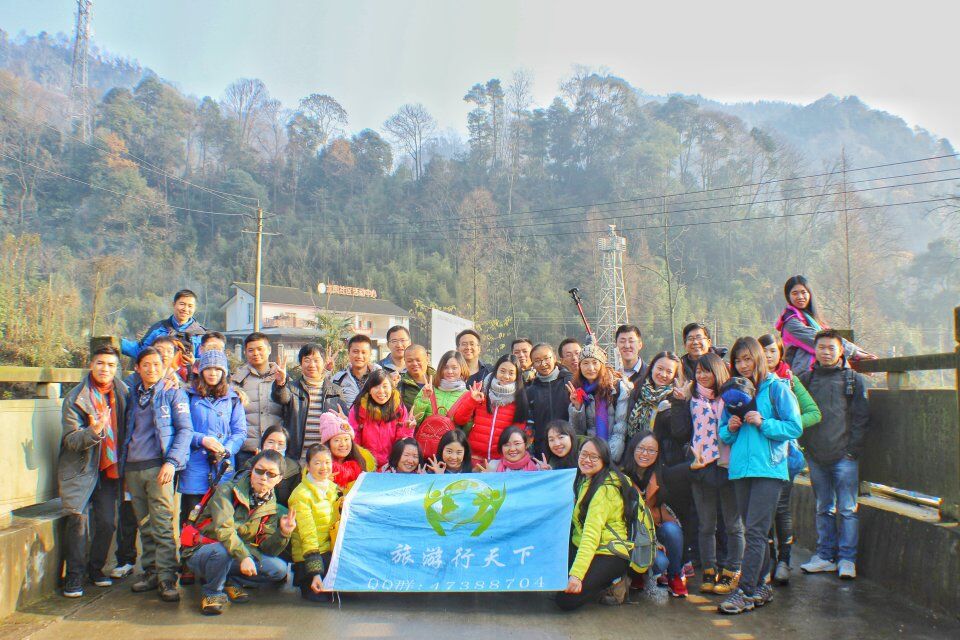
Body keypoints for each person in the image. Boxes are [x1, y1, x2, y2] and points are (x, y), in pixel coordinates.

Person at [717, 337, 802, 615]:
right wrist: (731, 427)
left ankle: (745, 590)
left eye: (747, 359)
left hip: (769, 469)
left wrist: (764, 423)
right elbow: (723, 433)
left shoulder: (776, 388)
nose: (743, 365)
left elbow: (794, 426)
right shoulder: (734, 392)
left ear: (758, 358)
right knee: (755, 531)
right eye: (738, 360)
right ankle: (762, 587)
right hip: (741, 469)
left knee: (754, 531)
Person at [182, 449, 296, 615]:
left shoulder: (271, 506)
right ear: (251, 470)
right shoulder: (227, 490)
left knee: (278, 569)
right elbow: (224, 530)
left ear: (279, 479)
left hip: (235, 553)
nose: (264, 477)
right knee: (222, 551)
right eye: (259, 471)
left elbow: (267, 549)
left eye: (271, 474)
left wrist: (283, 533)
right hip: (204, 550)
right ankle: (212, 592)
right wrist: (244, 557)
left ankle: (229, 580)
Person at [120, 347, 193, 602]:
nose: (151, 369)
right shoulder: (132, 393)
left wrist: (171, 462)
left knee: (162, 523)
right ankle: (151, 571)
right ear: (137, 368)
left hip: (158, 467)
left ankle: (167, 577)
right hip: (133, 467)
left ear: (164, 367)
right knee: (144, 523)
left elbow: (185, 430)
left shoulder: (173, 392)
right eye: (146, 365)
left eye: (156, 364)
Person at [797, 329, 870, 581]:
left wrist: (852, 451)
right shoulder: (806, 379)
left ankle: (847, 559)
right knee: (823, 507)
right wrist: (806, 448)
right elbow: (798, 414)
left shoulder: (853, 380)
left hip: (844, 457)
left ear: (841, 351)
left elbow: (861, 418)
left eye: (831, 348)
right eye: (821, 347)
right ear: (814, 350)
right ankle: (825, 556)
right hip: (816, 455)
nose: (826, 352)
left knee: (847, 509)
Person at [59, 345, 129, 597]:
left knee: (108, 523)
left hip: (109, 469)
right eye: (100, 363)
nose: (105, 369)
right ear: (91, 365)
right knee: (78, 521)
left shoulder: (123, 392)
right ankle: (74, 577)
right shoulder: (76, 397)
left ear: (116, 368)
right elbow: (70, 440)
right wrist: (95, 431)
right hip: (81, 468)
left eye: (111, 365)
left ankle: (96, 569)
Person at [673, 352, 744, 596]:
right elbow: (680, 431)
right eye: (698, 371)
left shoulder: (731, 396)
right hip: (701, 466)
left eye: (707, 371)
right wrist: (679, 402)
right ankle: (709, 569)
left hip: (728, 466)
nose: (702, 375)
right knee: (706, 525)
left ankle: (733, 569)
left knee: (733, 524)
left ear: (718, 371)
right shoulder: (691, 397)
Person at [759, 332, 822, 584]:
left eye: (772, 351)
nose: (768, 356)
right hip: (759, 455)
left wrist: (787, 426)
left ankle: (784, 560)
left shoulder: (790, 380)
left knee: (781, 508)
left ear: (780, 353)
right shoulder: (750, 381)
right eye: (763, 351)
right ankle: (768, 560)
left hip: (785, 455)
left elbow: (814, 413)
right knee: (763, 510)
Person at [179, 350, 246, 583]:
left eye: (218, 369)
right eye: (209, 368)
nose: (213, 373)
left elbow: (240, 431)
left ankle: (216, 565)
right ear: (201, 370)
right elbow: (183, 428)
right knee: (191, 514)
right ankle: (187, 561)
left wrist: (227, 449)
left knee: (219, 515)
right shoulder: (188, 395)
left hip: (223, 466)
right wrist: (202, 440)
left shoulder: (233, 399)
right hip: (196, 464)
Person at [555, 437, 635, 611]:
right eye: (584, 454)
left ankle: (613, 583)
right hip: (585, 545)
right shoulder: (586, 479)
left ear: (604, 460)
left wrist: (576, 576)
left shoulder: (604, 490)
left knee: (565, 600)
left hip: (609, 552)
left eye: (594, 457)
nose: (587, 460)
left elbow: (591, 536)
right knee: (555, 580)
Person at [621, 430, 687, 598]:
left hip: (654, 530)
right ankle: (637, 573)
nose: (645, 454)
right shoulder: (621, 476)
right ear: (632, 448)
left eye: (651, 450)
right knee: (659, 561)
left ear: (657, 454)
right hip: (630, 534)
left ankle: (675, 575)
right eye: (641, 448)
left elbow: (682, 472)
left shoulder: (660, 474)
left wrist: (694, 465)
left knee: (672, 531)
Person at [775, 275, 877, 374]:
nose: (800, 297)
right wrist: (855, 352)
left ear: (809, 294)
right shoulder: (791, 323)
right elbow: (823, 340)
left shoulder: (811, 319)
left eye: (803, 292)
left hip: (821, 372)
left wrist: (859, 355)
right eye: (795, 293)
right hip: (804, 376)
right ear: (788, 296)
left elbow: (833, 339)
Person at [449, 354, 530, 468]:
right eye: (502, 371)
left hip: (500, 463)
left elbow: (518, 433)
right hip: (473, 458)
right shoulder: (481, 390)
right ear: (496, 371)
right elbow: (459, 419)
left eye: (511, 373)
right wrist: (471, 401)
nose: (506, 376)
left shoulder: (519, 399)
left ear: (517, 376)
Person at [272, 343, 347, 464]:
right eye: (307, 360)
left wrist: (345, 421)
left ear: (324, 363)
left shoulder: (336, 391)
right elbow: (281, 397)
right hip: (297, 459)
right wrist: (280, 383)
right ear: (300, 363)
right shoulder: (291, 388)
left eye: (316, 360)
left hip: (325, 460)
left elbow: (345, 424)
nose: (312, 365)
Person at [288, 443, 340, 602]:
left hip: (329, 552)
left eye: (327, 462)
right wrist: (316, 573)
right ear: (308, 466)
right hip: (310, 558)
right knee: (326, 598)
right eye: (317, 463)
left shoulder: (333, 488)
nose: (324, 467)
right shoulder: (301, 495)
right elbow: (308, 536)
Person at [567, 343, 630, 463]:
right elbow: (578, 432)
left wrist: (608, 458)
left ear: (602, 365)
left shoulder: (616, 387)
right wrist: (577, 408)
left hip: (613, 455)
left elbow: (620, 428)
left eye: (595, 362)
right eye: (585, 363)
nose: (590, 368)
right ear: (580, 366)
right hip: (590, 456)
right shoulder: (578, 390)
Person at [234, 332, 284, 468]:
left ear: (269, 350)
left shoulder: (282, 377)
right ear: (245, 353)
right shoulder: (237, 381)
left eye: (260, 349)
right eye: (251, 350)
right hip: (246, 451)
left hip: (276, 450)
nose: (255, 353)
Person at [348, 369, 413, 469]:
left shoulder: (399, 408)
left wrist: (408, 429)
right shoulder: (359, 409)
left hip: (392, 466)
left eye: (385, 386)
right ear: (369, 390)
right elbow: (354, 439)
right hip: (366, 465)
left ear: (392, 388)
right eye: (376, 386)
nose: (381, 391)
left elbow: (402, 441)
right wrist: (363, 463)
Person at [121, 289, 207, 361]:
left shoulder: (201, 335)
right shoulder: (158, 328)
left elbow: (207, 362)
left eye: (190, 306)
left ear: (194, 308)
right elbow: (141, 351)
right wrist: (118, 343)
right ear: (174, 304)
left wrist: (194, 362)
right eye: (182, 304)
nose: (185, 309)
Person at [527, 343, 573, 458]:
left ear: (555, 358)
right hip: (543, 450)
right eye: (537, 361)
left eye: (546, 358)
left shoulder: (570, 381)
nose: (543, 364)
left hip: (570, 447)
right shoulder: (530, 390)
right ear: (532, 364)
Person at [241, 425, 303, 507]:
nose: (275, 447)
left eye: (280, 444)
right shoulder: (251, 464)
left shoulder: (294, 469)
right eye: (270, 442)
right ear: (263, 443)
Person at [319, 412, 376, 490]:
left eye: (346, 439)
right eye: (337, 440)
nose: (343, 444)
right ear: (328, 444)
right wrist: (319, 483)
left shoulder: (362, 463)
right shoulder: (318, 466)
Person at [411, 350, 468, 426]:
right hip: (427, 433)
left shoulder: (467, 395)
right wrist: (424, 399)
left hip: (453, 434)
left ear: (462, 369)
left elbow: (467, 427)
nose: (450, 371)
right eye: (446, 367)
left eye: (454, 368)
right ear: (441, 368)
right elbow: (414, 420)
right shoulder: (428, 389)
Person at [333, 335, 382, 407]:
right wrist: (326, 370)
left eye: (364, 352)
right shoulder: (338, 379)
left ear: (370, 354)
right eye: (355, 352)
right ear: (348, 353)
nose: (359, 356)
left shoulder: (380, 378)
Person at [398, 344, 435, 410]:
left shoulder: (440, 379)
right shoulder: (400, 384)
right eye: (410, 361)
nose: (414, 364)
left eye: (418, 360)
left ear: (427, 359)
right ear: (405, 361)